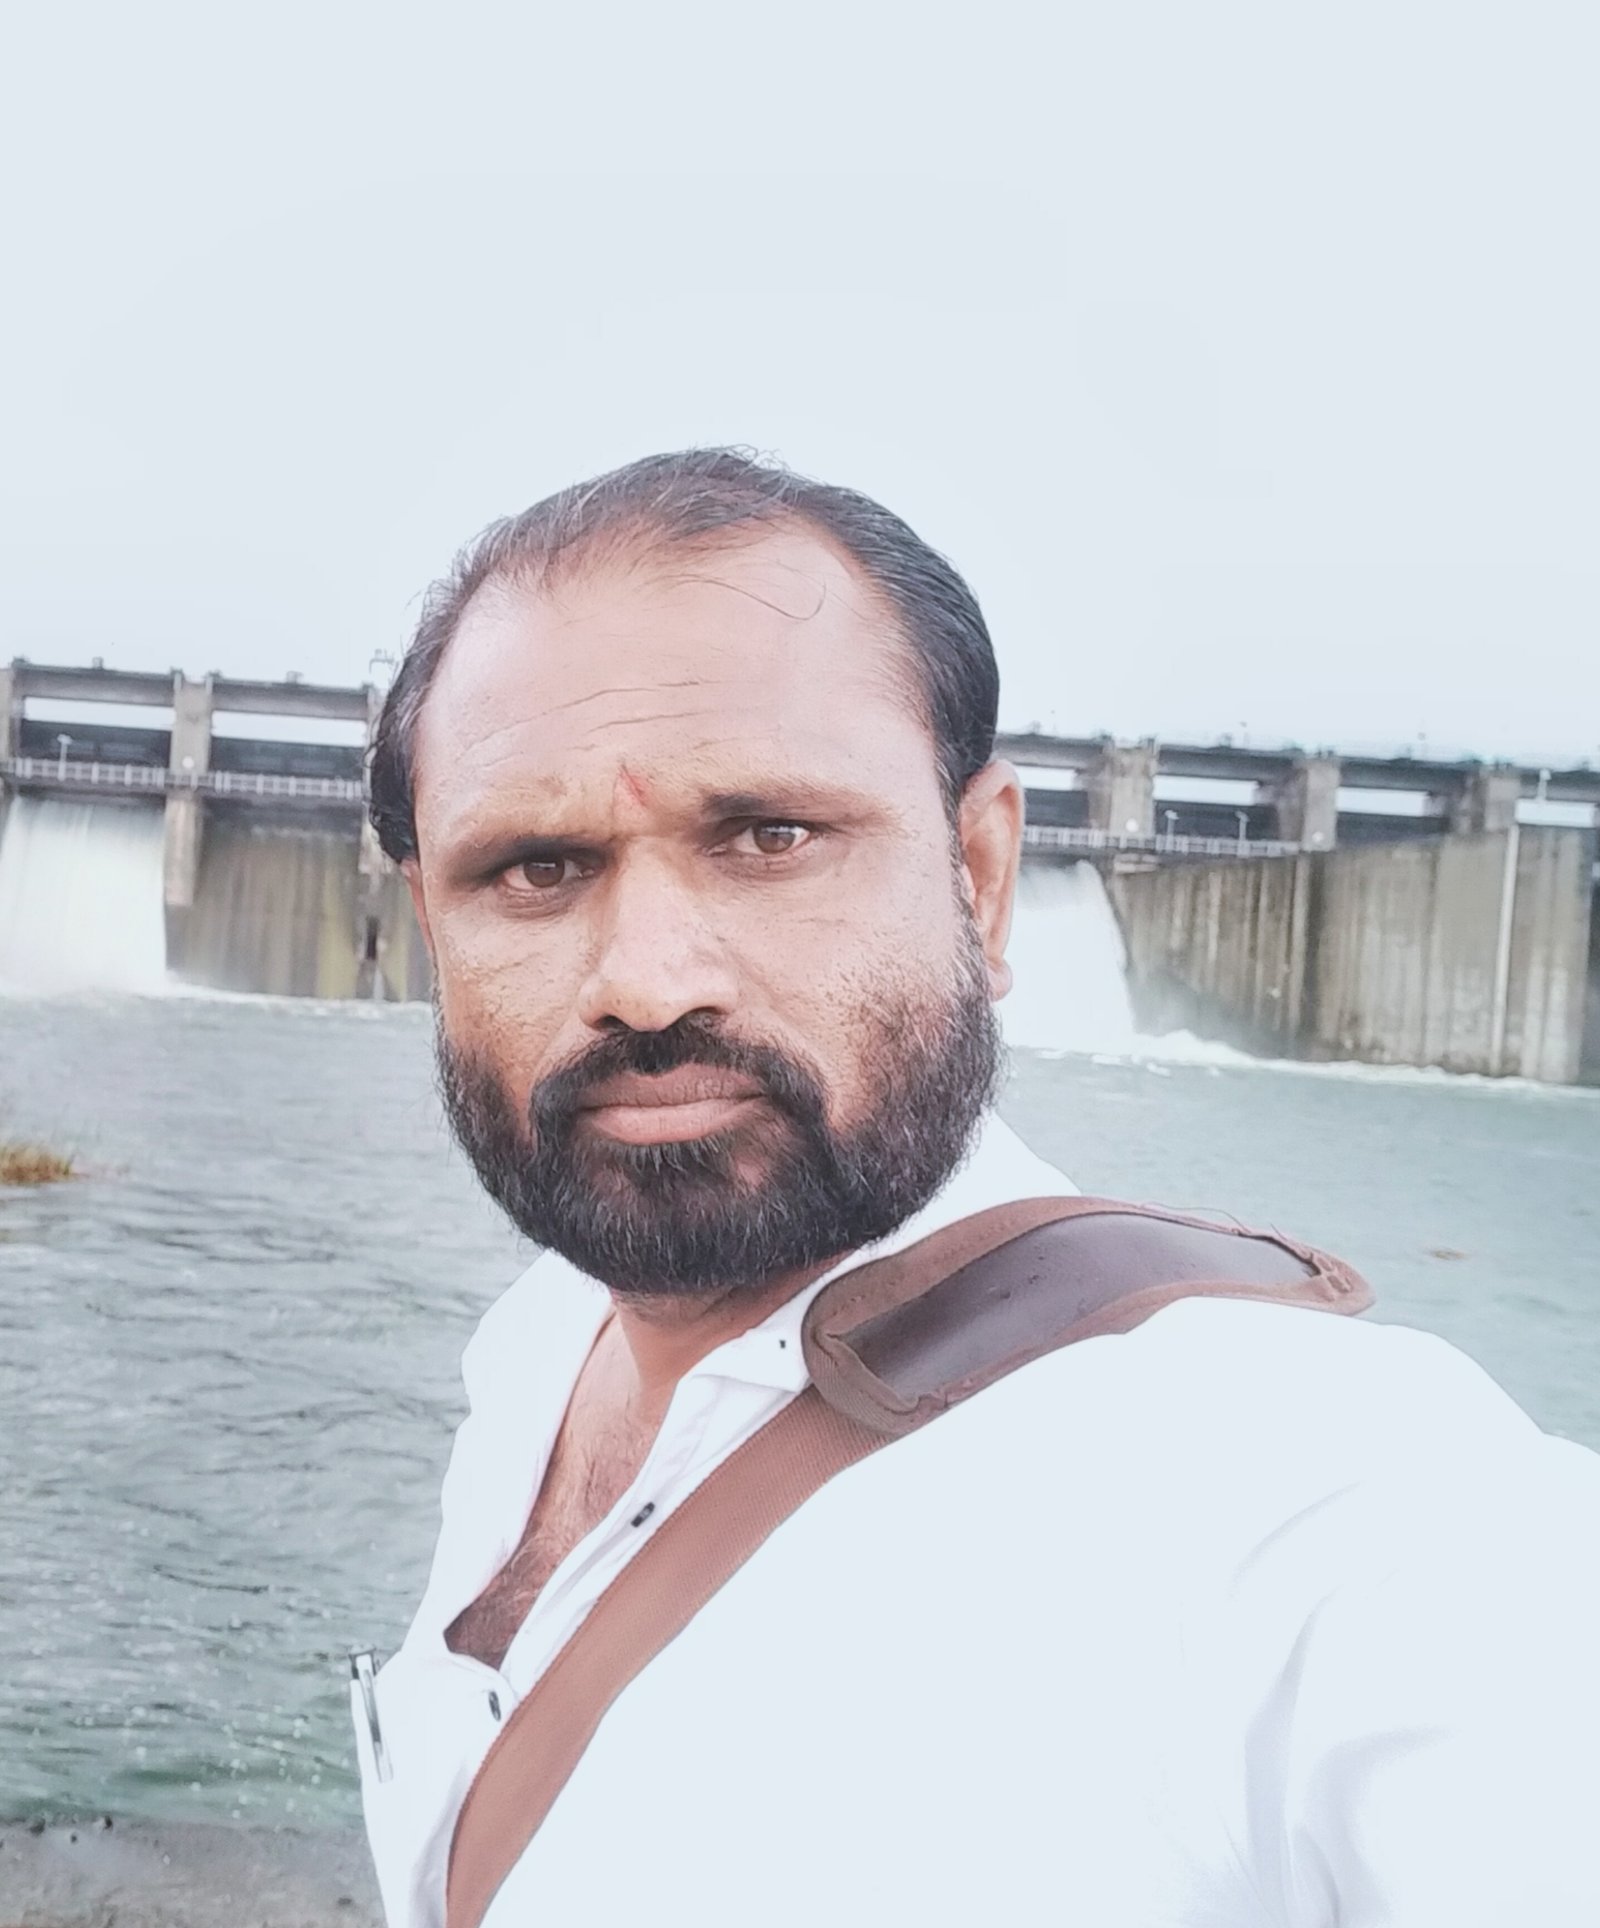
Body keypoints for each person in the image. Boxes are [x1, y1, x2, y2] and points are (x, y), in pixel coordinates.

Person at [355, 448, 1600, 1927]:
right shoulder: (536, 1341)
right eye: (534, 868)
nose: (645, 978)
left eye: (770, 837)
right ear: (431, 924)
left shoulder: (1331, 1499)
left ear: (982, 876)